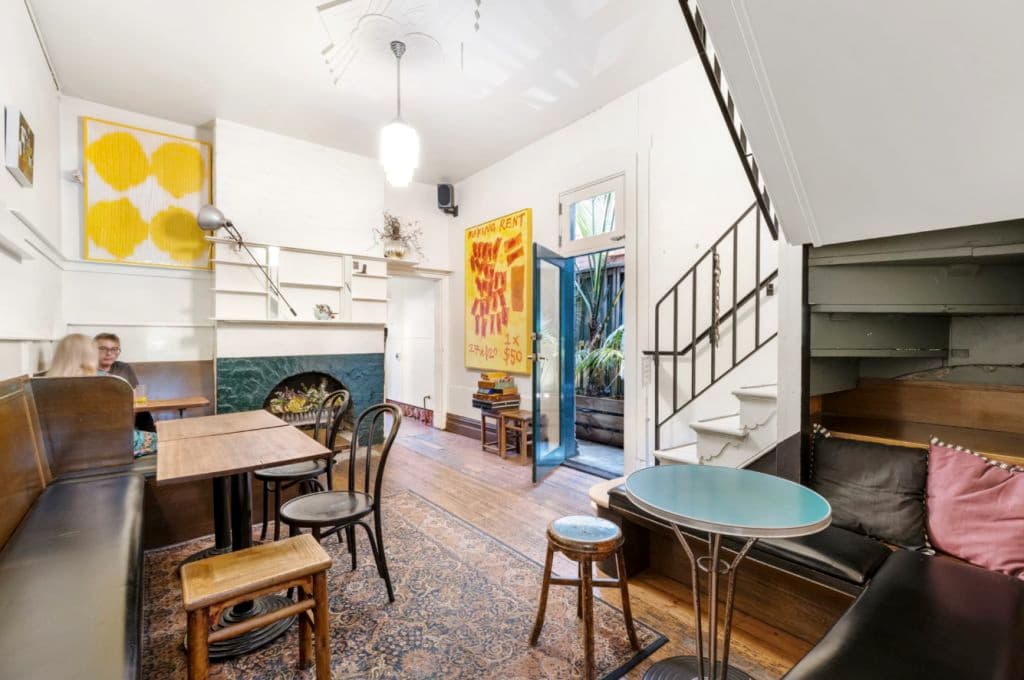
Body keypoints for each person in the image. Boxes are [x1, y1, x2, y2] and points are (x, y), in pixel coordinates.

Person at [48, 333, 157, 457]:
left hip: (63, 451)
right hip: (108, 446)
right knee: (165, 439)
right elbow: (118, 422)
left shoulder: (44, 384)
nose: (108, 353)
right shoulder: (105, 381)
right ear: (90, 355)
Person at [94, 332, 156, 432]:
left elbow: (137, 393)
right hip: (101, 415)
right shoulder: (88, 370)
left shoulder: (123, 367)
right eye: (103, 349)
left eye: (114, 349)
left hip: (126, 411)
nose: (109, 353)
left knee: (143, 411)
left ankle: (153, 439)